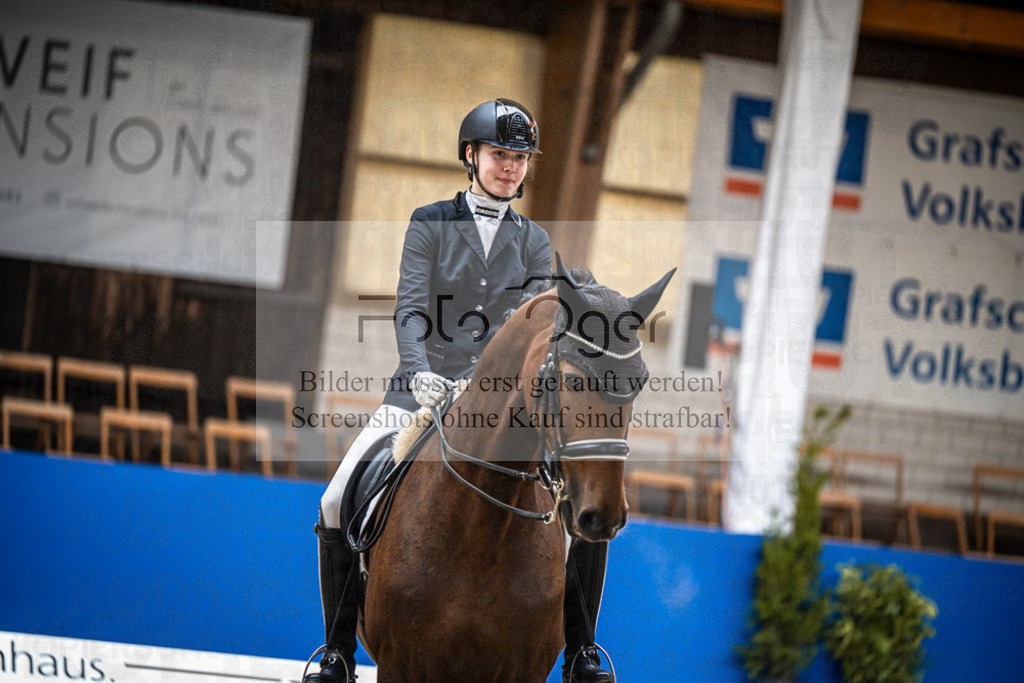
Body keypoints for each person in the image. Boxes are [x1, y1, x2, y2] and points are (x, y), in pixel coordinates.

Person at [304, 98, 615, 683]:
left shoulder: (534, 239)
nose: (512, 167)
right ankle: (338, 653)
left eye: (521, 158)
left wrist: (489, 383)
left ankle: (581, 652)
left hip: (496, 406)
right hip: (417, 393)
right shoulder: (429, 223)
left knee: (580, 513)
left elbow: (530, 326)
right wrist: (419, 368)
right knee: (336, 495)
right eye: (501, 154)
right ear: (471, 156)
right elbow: (411, 306)